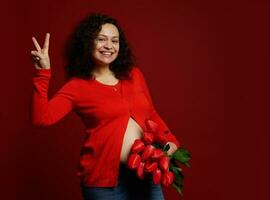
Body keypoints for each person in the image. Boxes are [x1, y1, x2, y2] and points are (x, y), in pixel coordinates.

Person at [30, 13, 180, 200]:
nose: (109, 46)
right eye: (101, 39)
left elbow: (151, 113)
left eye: (114, 41)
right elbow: (42, 118)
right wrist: (42, 73)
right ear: (87, 43)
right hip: (105, 184)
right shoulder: (77, 87)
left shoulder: (134, 75)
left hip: (147, 175)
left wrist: (171, 140)